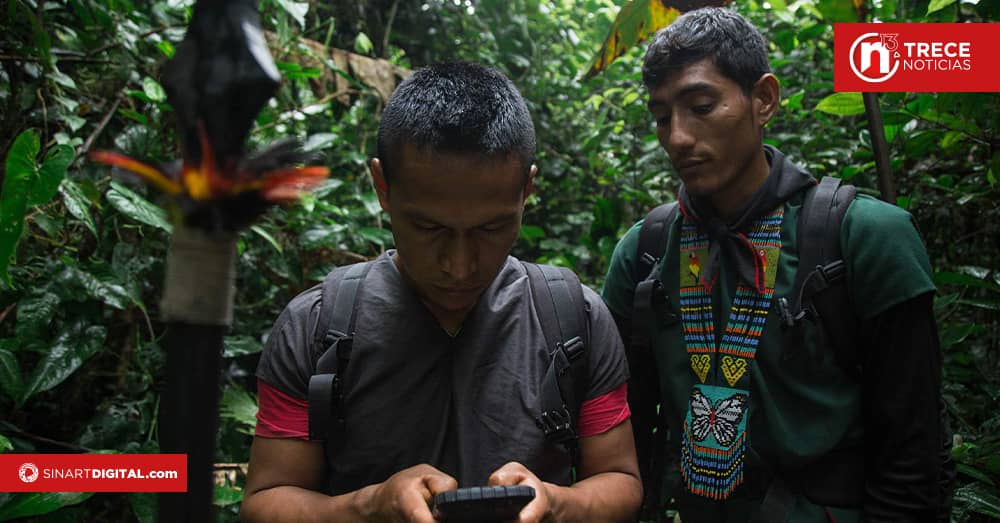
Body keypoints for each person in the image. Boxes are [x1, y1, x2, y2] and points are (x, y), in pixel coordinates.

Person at [241, 61, 641, 523]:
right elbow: (265, 500)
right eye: (428, 228)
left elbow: (620, 480)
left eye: (490, 228)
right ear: (382, 187)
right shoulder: (316, 328)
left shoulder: (574, 318)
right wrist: (368, 506)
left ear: (526, 190)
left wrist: (556, 503)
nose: (460, 266)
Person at [601, 7, 955, 522]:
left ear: (763, 99)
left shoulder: (865, 239)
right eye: (661, 117)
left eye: (701, 107)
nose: (677, 137)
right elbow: (620, 438)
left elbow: (912, 458)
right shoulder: (646, 253)